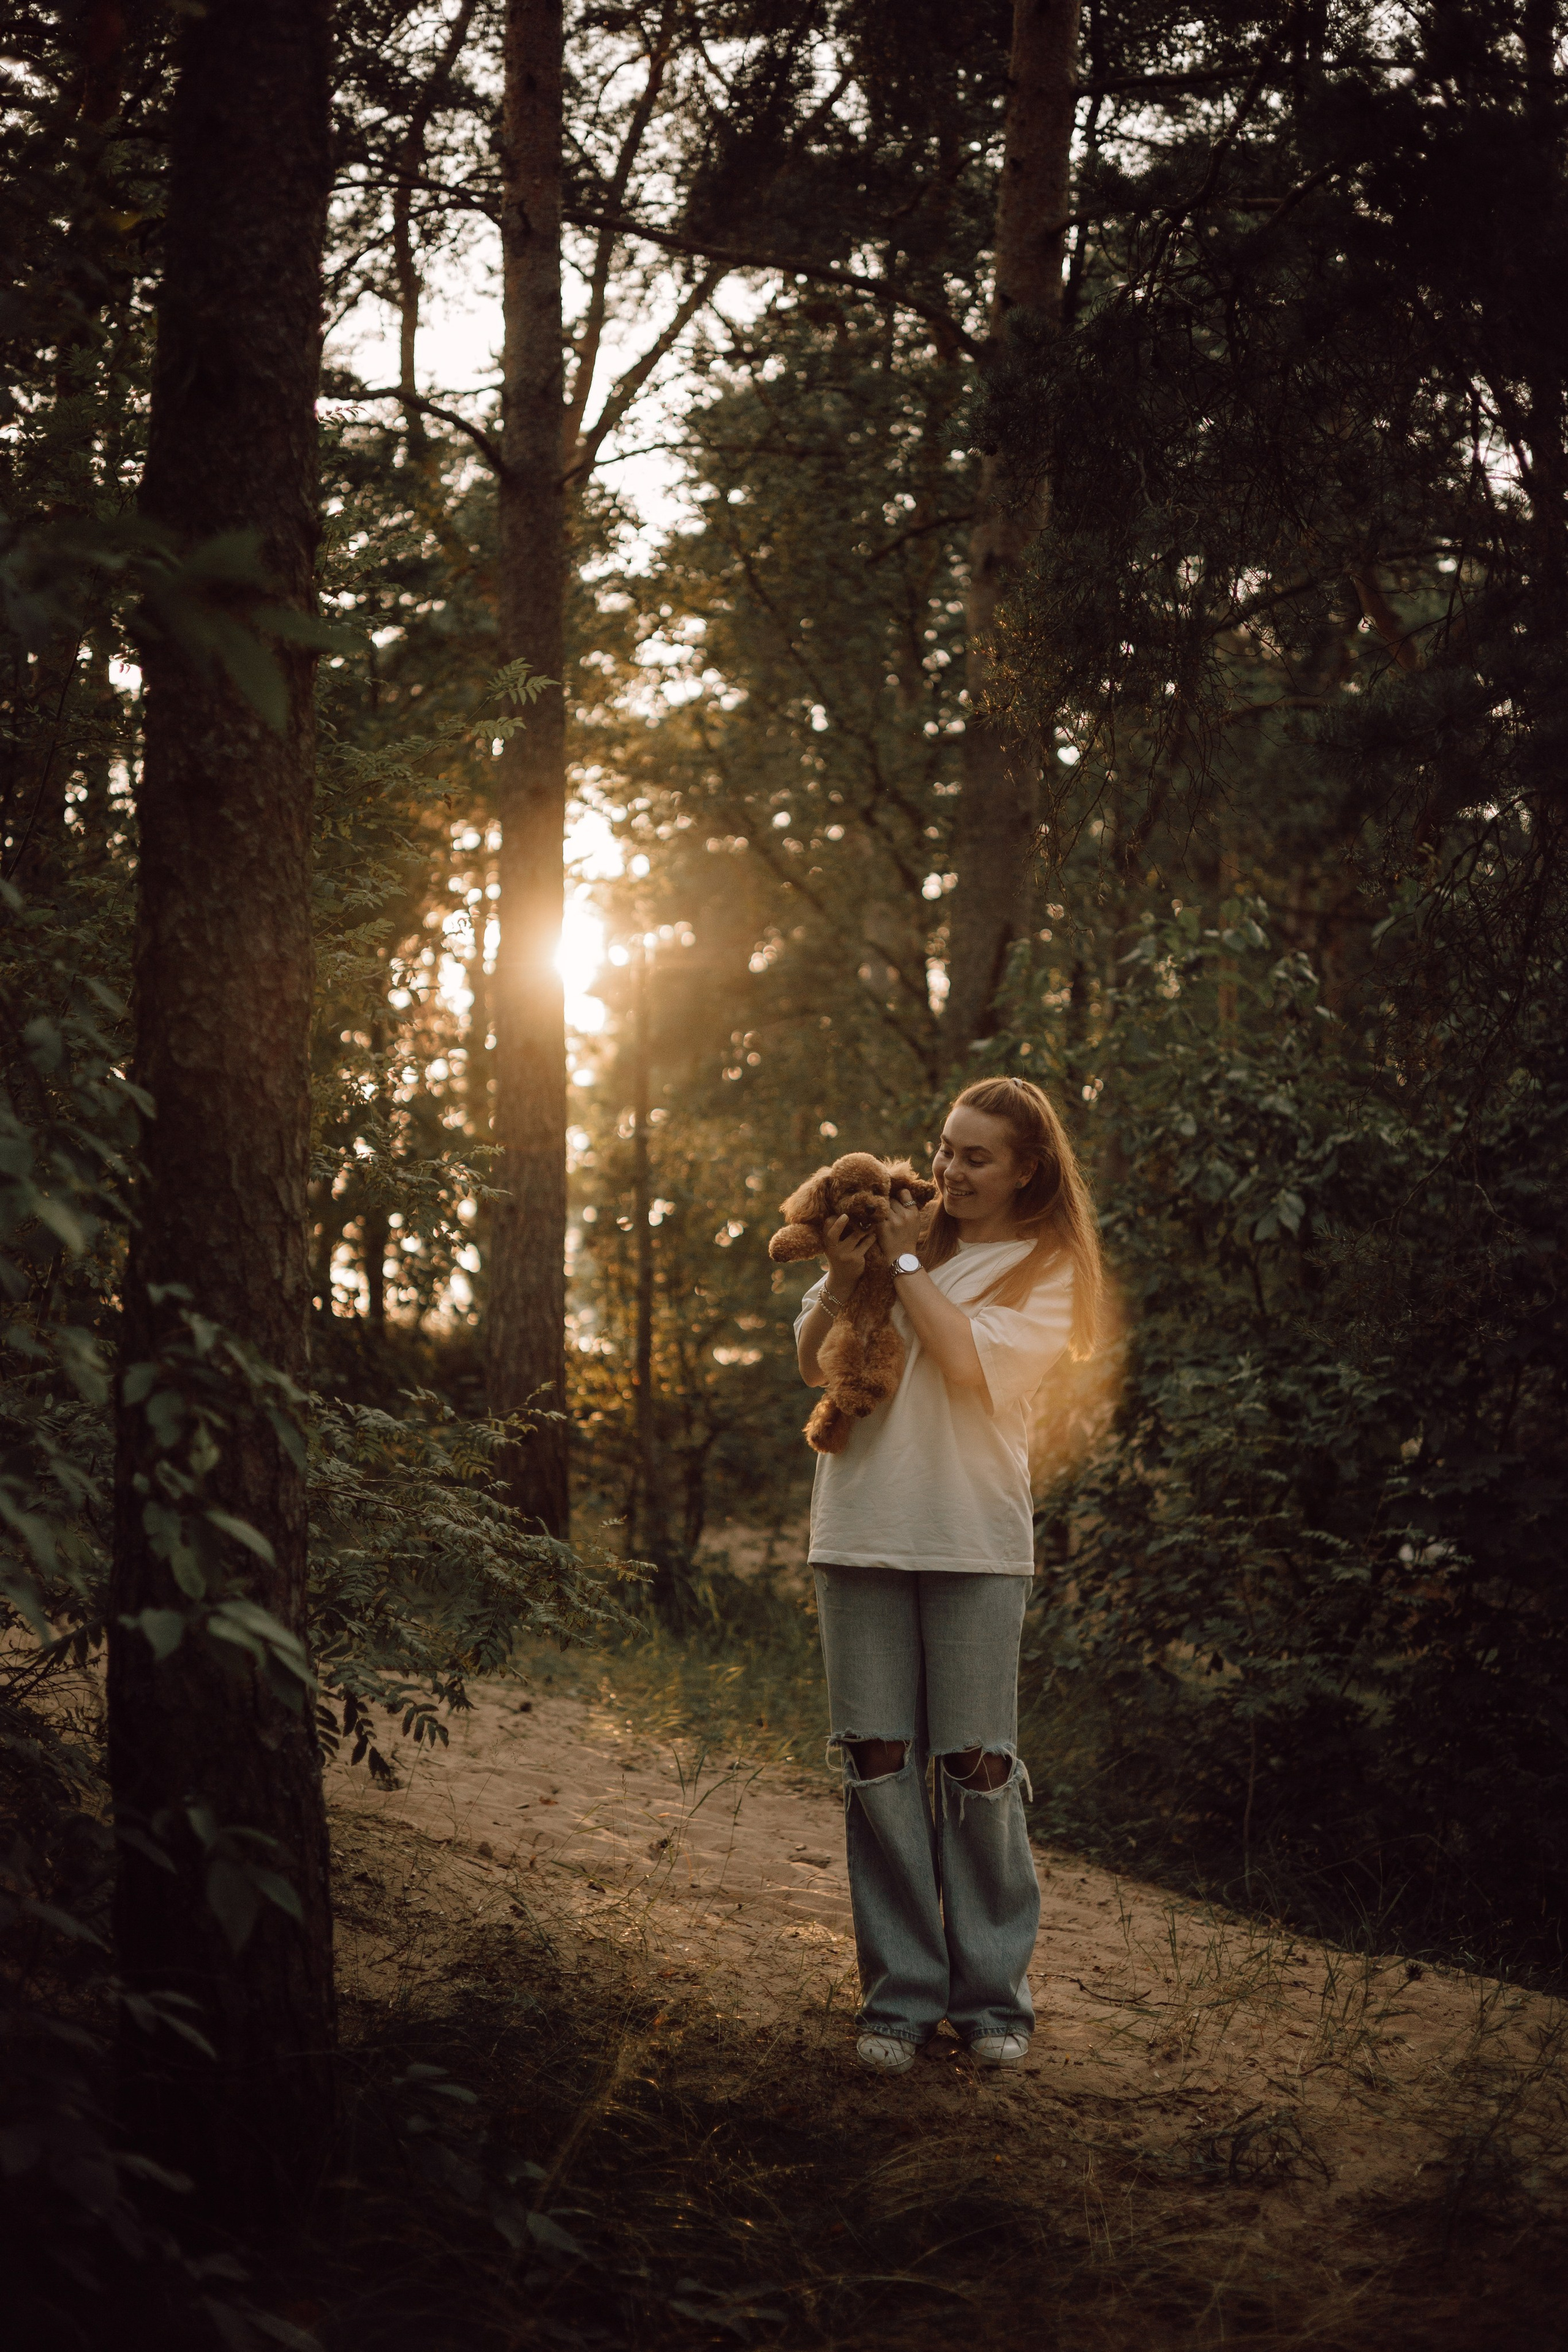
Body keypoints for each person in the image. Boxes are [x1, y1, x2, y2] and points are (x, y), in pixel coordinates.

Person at [793, 1074, 1101, 2075]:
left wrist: (907, 1259)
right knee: (878, 1763)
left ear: (1027, 1169)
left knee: (978, 1765)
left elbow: (969, 1366)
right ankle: (899, 2002)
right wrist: (847, 1278)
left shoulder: (1043, 1271)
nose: (947, 1170)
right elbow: (811, 1362)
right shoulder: (888, 1233)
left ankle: (992, 2000)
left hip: (971, 1538)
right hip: (860, 1526)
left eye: (975, 1157)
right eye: (943, 1149)